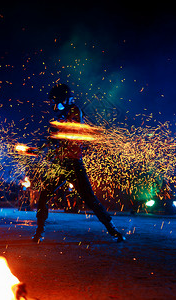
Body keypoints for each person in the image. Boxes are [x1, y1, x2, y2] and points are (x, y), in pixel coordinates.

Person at [32, 83, 125, 242]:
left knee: (90, 199)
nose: (55, 105)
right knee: (43, 197)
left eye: (57, 101)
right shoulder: (61, 114)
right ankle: (40, 232)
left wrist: (52, 140)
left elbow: (68, 133)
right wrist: (40, 148)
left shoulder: (74, 111)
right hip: (60, 165)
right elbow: (55, 136)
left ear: (66, 99)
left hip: (74, 164)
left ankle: (113, 230)